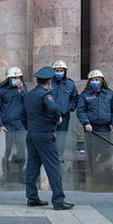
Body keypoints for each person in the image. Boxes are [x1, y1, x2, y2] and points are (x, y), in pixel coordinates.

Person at [21, 66, 74, 210]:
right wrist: (57, 119)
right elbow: (54, 109)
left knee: (32, 166)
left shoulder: (29, 95)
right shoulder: (46, 95)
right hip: (44, 135)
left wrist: (31, 127)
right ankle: (58, 200)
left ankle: (32, 197)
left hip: (32, 134)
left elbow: (22, 115)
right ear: (49, 81)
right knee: (53, 167)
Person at [0, 67, 27, 167]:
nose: (16, 80)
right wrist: (0, 125)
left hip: (21, 124)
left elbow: (28, 103)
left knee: (21, 151)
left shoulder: (23, 88)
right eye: (13, 77)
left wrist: (22, 90)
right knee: (6, 151)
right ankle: (4, 174)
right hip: (7, 125)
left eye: (18, 77)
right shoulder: (1, 90)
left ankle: (21, 173)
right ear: (9, 78)